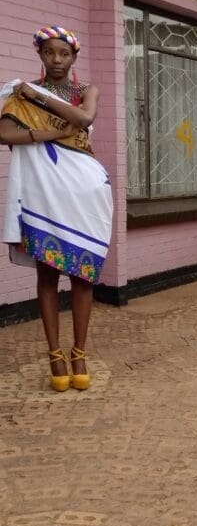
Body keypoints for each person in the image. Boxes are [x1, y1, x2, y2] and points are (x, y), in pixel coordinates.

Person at [0, 25, 113, 391]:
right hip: (44, 195)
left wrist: (36, 95)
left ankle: (79, 352)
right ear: (40, 54)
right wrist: (49, 133)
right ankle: (55, 354)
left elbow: (84, 119)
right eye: (49, 52)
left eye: (64, 53)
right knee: (47, 276)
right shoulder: (20, 94)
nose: (57, 59)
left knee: (83, 276)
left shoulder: (85, 91)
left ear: (74, 57)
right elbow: (4, 133)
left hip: (85, 193)